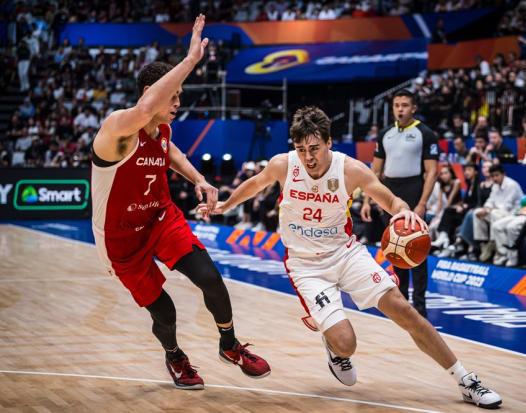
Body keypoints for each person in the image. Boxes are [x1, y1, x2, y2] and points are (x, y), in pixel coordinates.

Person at [202, 106, 502, 409]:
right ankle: (335, 347)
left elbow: (386, 196)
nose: (308, 157)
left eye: (315, 148)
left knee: (403, 309)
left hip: (345, 253)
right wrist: (225, 205)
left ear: (329, 142)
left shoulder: (350, 169)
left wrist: (403, 210)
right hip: (305, 266)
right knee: (347, 343)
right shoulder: (283, 165)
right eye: (301, 148)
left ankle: (466, 380)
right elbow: (255, 184)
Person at [90, 15, 270, 390]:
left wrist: (199, 178)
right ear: (148, 92)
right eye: (172, 94)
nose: (178, 100)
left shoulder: (161, 131)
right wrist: (190, 60)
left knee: (211, 279)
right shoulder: (116, 129)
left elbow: (171, 153)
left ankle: (229, 345)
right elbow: (142, 114)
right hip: (121, 239)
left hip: (160, 219)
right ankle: (174, 356)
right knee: (165, 311)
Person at [360, 88, 439, 317]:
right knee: (395, 247)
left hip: (414, 188)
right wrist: (367, 200)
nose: (400, 109)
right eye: (397, 105)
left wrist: (423, 203)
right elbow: (374, 170)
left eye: (405, 105)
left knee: (418, 247)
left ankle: (420, 303)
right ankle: (402, 299)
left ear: (413, 108)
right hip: (390, 191)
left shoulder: (425, 133)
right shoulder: (385, 133)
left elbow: (432, 172)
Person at [473, 164, 524, 262]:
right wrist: (485, 208)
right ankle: (484, 243)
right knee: (477, 212)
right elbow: (491, 200)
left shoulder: (511, 185)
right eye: (492, 176)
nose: (495, 178)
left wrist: (489, 210)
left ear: (503, 174)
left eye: (497, 175)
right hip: (498, 212)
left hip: (512, 213)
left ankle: (496, 246)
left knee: (494, 213)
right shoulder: (495, 186)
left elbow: (507, 206)